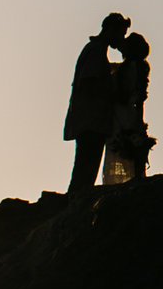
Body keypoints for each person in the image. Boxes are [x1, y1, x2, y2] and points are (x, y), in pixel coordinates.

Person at [63, 13, 129, 196]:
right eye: (121, 34)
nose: (121, 38)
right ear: (111, 30)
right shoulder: (95, 51)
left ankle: (74, 202)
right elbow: (89, 82)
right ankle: (74, 205)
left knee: (85, 170)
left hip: (91, 120)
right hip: (91, 120)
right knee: (85, 170)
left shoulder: (96, 50)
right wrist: (113, 88)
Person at [101, 31, 154, 184]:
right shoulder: (139, 68)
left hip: (122, 117)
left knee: (121, 150)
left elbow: (122, 94)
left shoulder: (128, 69)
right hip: (131, 116)